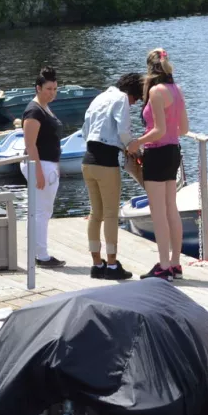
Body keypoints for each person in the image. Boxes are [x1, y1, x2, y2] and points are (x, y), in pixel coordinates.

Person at [80, 72, 144, 280]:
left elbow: (85, 128)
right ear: (132, 92)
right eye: (136, 99)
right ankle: (113, 265)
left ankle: (96, 264)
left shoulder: (99, 97)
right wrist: (133, 149)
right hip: (106, 162)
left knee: (95, 213)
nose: (133, 103)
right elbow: (124, 130)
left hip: (87, 161)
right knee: (110, 214)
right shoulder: (122, 98)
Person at [132, 48, 188, 279]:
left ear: (149, 69)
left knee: (158, 213)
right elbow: (183, 129)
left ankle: (163, 266)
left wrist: (137, 142)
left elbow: (158, 130)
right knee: (171, 209)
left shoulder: (156, 91)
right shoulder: (177, 90)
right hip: (173, 152)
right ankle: (175, 263)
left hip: (156, 154)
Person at [19, 66, 65, 267]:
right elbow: (30, 145)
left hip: (49, 164)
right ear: (38, 88)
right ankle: (41, 255)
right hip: (40, 163)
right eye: (48, 89)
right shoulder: (34, 111)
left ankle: (40, 251)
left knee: (45, 210)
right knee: (41, 211)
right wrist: (37, 171)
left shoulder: (45, 108)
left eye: (55, 89)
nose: (52, 93)